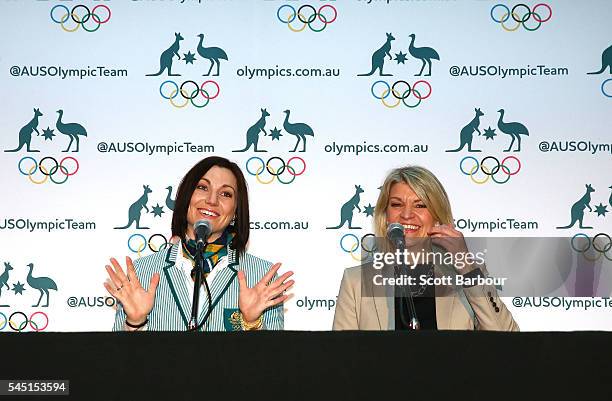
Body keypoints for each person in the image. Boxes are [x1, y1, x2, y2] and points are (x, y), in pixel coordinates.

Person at [104, 156, 294, 331]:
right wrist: (135, 322)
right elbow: (121, 363)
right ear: (186, 197)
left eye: (226, 194)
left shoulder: (261, 276)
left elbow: (272, 364)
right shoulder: (142, 273)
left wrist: (251, 323)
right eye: (202, 187)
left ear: (236, 211)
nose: (212, 200)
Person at [333, 166, 519, 331]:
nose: (406, 215)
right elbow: (342, 358)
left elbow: (507, 339)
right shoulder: (356, 281)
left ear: (437, 215)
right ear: (386, 215)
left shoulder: (466, 276)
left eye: (420, 205)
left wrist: (465, 265)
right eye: (397, 204)